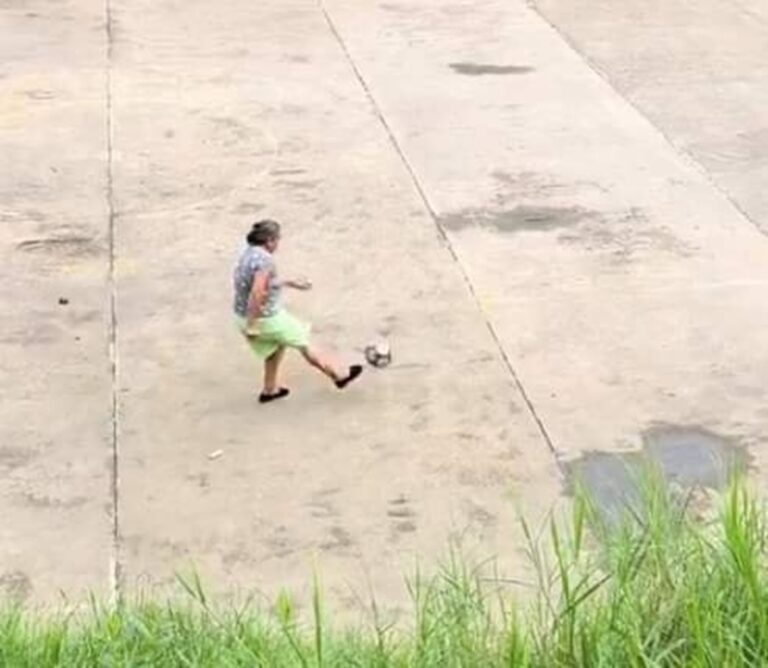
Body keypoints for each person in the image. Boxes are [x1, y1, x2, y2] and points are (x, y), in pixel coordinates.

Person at [233, 219, 362, 403]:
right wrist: (253, 325)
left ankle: (270, 390)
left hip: (240, 316)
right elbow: (257, 292)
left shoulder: (246, 252)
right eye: (277, 239)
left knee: (275, 347)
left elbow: (256, 282)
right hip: (265, 319)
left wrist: (289, 282)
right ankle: (340, 375)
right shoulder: (265, 261)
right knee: (304, 341)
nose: (278, 243)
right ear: (269, 240)